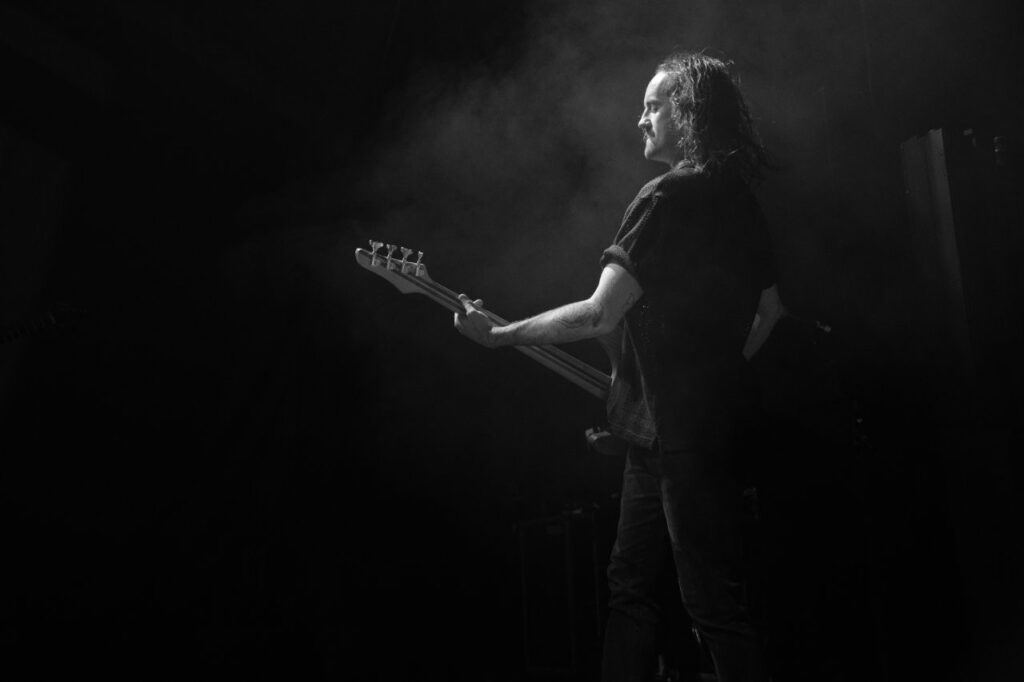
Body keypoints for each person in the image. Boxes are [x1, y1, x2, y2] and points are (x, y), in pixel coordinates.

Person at [455, 52, 782, 682]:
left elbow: (598, 314)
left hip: (679, 438)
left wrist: (498, 336)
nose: (641, 119)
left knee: (698, 603)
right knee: (637, 585)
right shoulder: (739, 198)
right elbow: (769, 312)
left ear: (687, 113)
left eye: (653, 106)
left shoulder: (663, 197)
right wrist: (713, 375)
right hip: (680, 433)